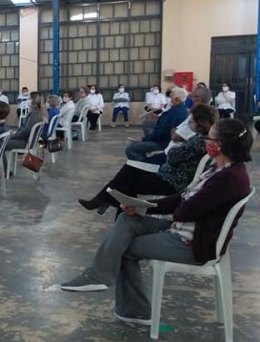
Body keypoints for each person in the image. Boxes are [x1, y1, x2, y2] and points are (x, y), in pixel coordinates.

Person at [60, 118, 253, 325]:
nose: (204, 141)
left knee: (123, 245)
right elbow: (181, 198)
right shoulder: (218, 168)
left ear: (220, 145)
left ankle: (134, 309)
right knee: (127, 218)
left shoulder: (228, 179)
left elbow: (185, 211)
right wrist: (142, 205)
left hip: (191, 242)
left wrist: (160, 208)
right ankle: (100, 278)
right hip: (184, 229)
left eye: (208, 138)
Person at [79, 104, 217, 214]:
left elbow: (173, 157)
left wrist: (175, 147)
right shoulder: (202, 140)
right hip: (171, 173)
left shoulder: (198, 142)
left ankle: (109, 204)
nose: (189, 124)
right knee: (129, 170)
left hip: (173, 180)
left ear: (200, 123)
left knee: (128, 180)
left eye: (191, 121)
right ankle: (107, 203)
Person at [126, 87, 189, 163]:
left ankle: (145, 167)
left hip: (163, 142)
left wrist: (144, 140)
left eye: (171, 97)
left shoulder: (175, 112)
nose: (170, 99)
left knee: (131, 149)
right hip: (165, 139)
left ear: (177, 99)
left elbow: (161, 132)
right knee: (148, 124)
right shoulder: (181, 110)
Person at [4, 91, 44, 168]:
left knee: (1, 143)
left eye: (29, 98)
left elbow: (26, 131)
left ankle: (5, 170)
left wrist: (13, 136)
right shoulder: (36, 112)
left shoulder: (35, 114)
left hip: (24, 142)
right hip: (24, 139)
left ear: (33, 101)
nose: (27, 101)